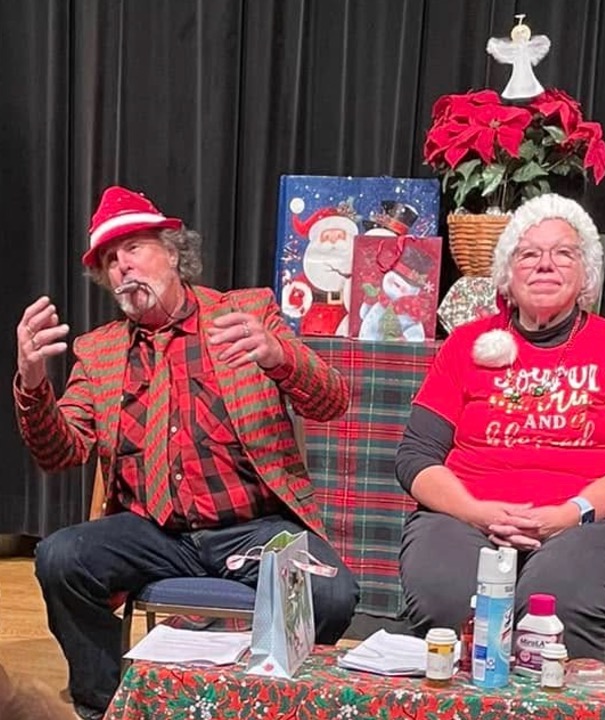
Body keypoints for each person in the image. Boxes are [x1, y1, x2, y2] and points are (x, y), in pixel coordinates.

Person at [14, 186, 359, 720]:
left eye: (133, 248)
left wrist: (279, 356)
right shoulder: (99, 351)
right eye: (110, 260)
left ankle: (260, 702)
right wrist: (33, 384)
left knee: (332, 595)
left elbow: (331, 400)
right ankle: (107, 705)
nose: (122, 266)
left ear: (174, 254)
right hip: (154, 533)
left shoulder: (246, 312)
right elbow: (60, 452)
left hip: (253, 529)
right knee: (61, 557)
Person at [396, 193, 605, 660]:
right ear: (507, 273)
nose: (545, 264)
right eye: (529, 254)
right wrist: (476, 512)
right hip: (466, 517)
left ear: (585, 274)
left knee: (554, 600)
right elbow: (416, 457)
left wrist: (567, 514)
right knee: (447, 595)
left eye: (563, 253)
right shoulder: (466, 344)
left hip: (592, 525)